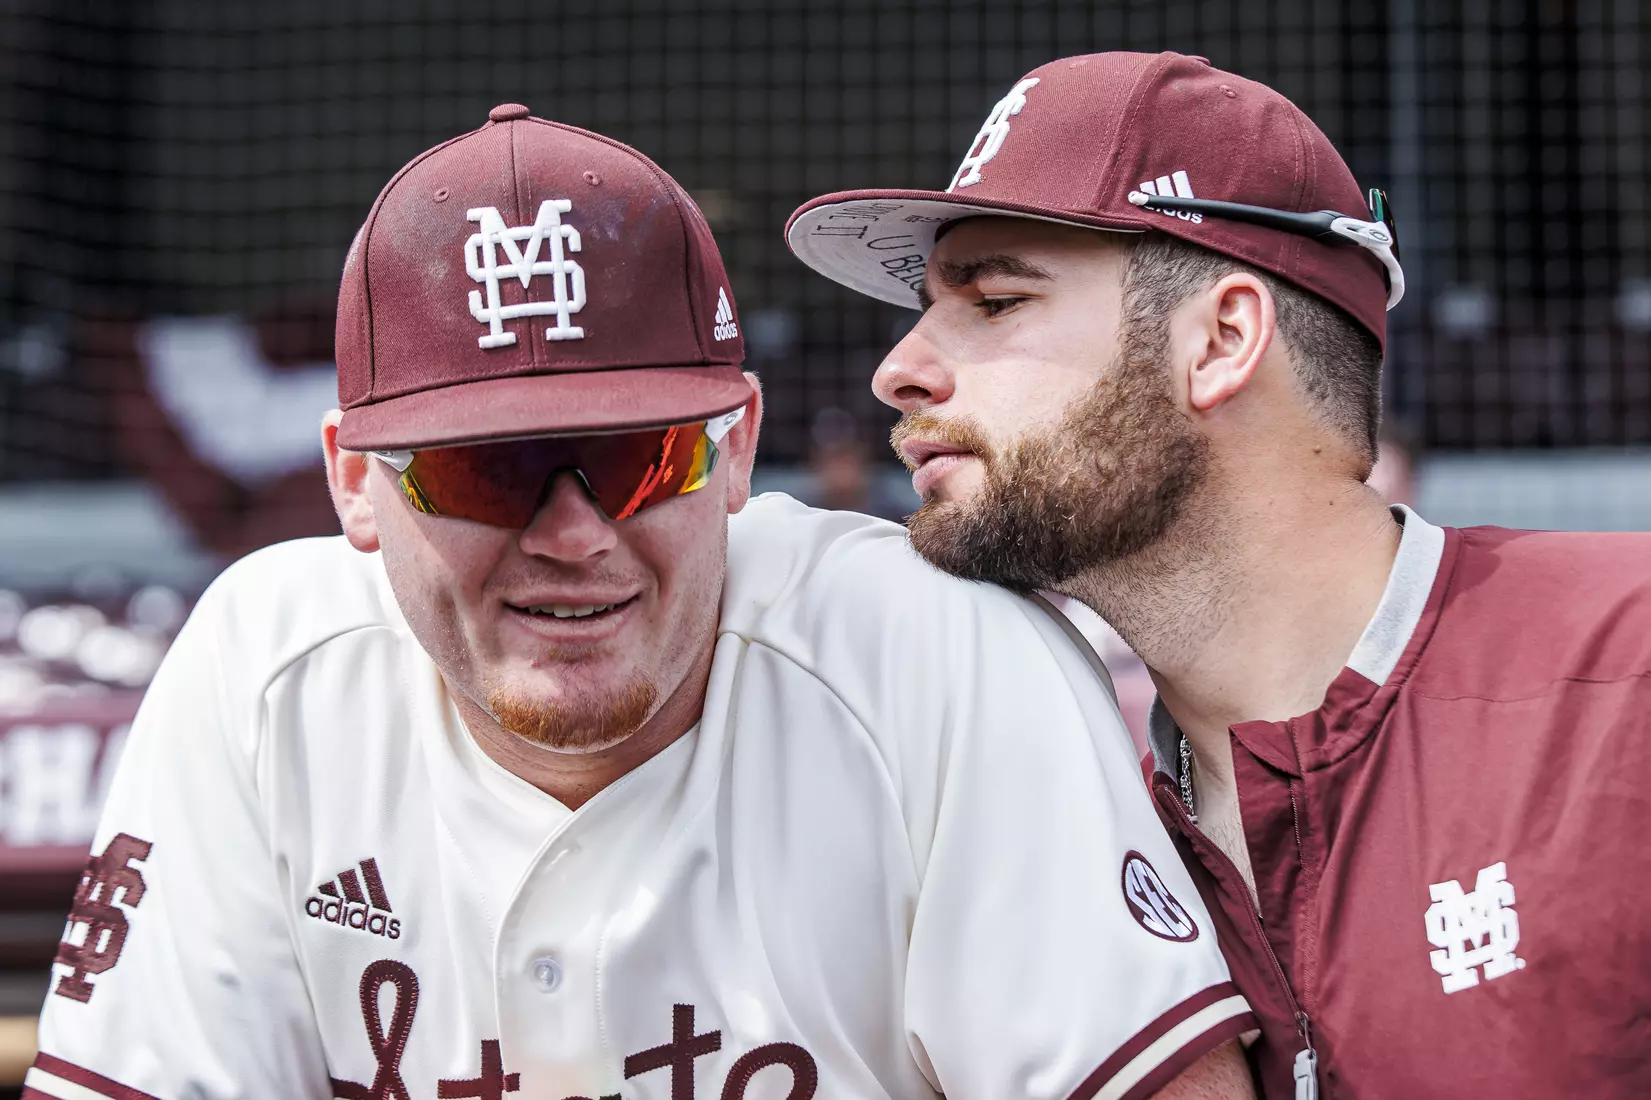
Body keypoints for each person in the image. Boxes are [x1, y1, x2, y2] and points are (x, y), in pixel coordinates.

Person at [26, 105, 1257, 1100]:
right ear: (353, 481)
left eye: (639, 459)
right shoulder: (265, 671)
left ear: (735, 448)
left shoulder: (933, 649)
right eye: (484, 469)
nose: (571, 535)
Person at [786, 51, 1651, 1099]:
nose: (899, 370)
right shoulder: (1049, 831)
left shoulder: (1625, 674)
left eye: (998, 300)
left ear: (1221, 339)